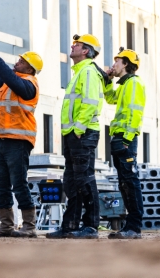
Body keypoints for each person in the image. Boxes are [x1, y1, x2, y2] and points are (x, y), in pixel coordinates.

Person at [0, 37, 43, 238]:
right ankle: (6, 225)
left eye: (21, 62)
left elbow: (10, 79)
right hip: (4, 139)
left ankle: (29, 226)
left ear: (30, 69)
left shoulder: (29, 84)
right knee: (1, 183)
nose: (16, 63)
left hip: (19, 142)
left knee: (18, 183)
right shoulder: (11, 82)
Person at [47, 34, 107, 240]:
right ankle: (70, 226)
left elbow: (90, 103)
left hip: (82, 133)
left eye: (77, 45)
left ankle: (90, 226)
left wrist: (79, 129)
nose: (72, 47)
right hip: (74, 134)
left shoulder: (88, 71)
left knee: (85, 179)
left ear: (85, 51)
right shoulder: (80, 72)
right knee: (71, 181)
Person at [104, 48, 146, 239]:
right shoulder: (124, 85)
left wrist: (127, 140)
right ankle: (130, 226)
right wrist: (108, 79)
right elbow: (110, 98)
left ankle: (134, 227)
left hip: (125, 139)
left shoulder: (134, 83)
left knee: (130, 182)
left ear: (126, 64)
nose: (114, 65)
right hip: (119, 138)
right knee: (124, 183)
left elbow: (135, 113)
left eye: (117, 61)